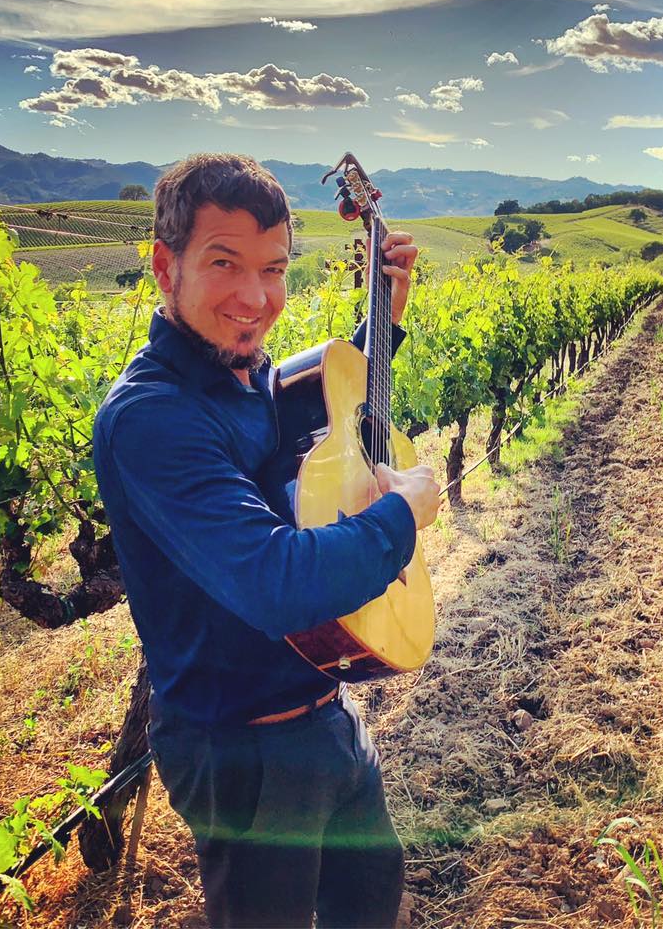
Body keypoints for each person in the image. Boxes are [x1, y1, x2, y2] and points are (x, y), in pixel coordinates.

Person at [92, 152, 441, 929]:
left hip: (323, 703)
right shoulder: (151, 420)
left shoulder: (252, 377)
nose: (255, 298)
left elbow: (325, 410)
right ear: (163, 265)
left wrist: (382, 318)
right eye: (224, 263)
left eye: (274, 269)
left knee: (370, 903)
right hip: (242, 752)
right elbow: (276, 583)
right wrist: (404, 513)